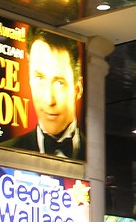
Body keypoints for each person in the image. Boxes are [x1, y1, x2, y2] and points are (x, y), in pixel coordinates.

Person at [9, 30, 83, 158]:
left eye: (60, 82)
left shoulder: (100, 156)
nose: (49, 99)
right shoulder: (7, 152)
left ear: (78, 89)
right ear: (30, 81)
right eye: (40, 78)